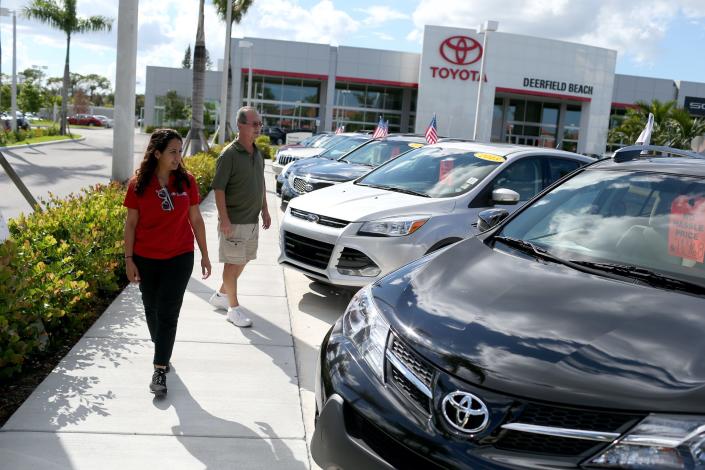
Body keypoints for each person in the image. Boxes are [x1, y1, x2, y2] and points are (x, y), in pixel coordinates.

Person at [123, 128, 211, 397]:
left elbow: (195, 220)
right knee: (151, 308)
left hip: (179, 257)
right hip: (146, 258)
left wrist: (205, 254)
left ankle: (159, 368)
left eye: (180, 151)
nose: (178, 156)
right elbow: (131, 224)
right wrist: (128, 259)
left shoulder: (187, 182)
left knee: (168, 313)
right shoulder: (138, 183)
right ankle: (162, 347)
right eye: (172, 151)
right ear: (158, 153)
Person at [209, 106, 271, 327]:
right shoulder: (229, 155)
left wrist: (265, 208)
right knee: (231, 264)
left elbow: (260, 182)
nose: (258, 128)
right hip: (233, 221)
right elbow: (219, 189)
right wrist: (223, 218)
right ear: (240, 125)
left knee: (242, 261)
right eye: (254, 124)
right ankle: (233, 309)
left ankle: (220, 295)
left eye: (259, 124)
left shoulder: (258, 153)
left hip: (252, 220)